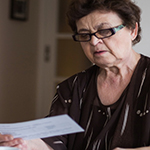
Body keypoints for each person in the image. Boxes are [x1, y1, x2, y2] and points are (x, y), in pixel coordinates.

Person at [0, 0, 150, 149]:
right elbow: (54, 140)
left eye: (104, 31)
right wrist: (23, 143)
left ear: (132, 30)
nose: (94, 41)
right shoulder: (72, 88)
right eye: (84, 35)